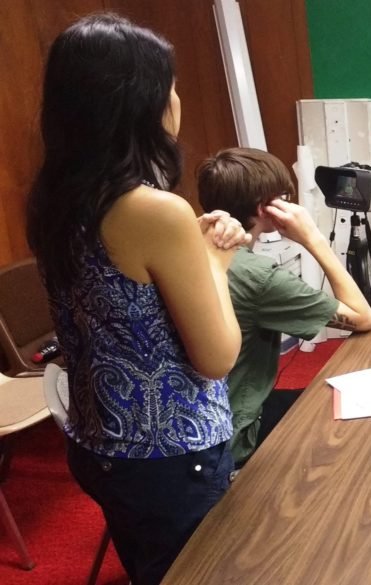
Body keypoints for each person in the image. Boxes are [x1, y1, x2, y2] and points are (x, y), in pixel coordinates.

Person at [25, 14, 249, 585]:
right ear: (142, 104)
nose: (178, 97)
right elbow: (216, 357)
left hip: (100, 441)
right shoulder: (155, 209)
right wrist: (217, 262)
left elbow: (125, 301)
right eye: (169, 85)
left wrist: (190, 252)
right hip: (173, 456)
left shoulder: (53, 199)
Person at [197, 148, 371, 467]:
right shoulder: (259, 278)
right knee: (349, 416)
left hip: (202, 424)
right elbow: (362, 317)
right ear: (267, 207)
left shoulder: (190, 250)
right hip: (236, 433)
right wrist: (314, 238)